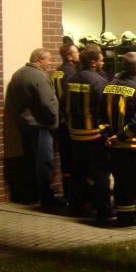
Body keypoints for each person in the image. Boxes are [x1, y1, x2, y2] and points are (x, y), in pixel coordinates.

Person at [6, 48, 60, 208]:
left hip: (25, 123)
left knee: (31, 160)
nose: (50, 63)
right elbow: (46, 103)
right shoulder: (39, 77)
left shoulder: (18, 74)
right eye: (48, 60)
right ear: (39, 60)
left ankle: (33, 194)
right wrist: (53, 119)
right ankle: (46, 198)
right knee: (44, 161)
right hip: (41, 125)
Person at [103, 52, 136, 227]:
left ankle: (124, 213)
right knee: (131, 182)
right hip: (132, 145)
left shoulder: (108, 86)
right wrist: (121, 135)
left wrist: (109, 137)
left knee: (120, 180)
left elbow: (101, 117)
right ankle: (128, 217)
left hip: (113, 146)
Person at [66, 46, 111, 219]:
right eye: (100, 59)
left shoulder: (71, 79)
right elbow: (104, 109)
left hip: (75, 135)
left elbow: (64, 104)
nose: (103, 62)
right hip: (94, 135)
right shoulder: (98, 82)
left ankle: (76, 206)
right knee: (101, 173)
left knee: (78, 172)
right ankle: (103, 209)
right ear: (93, 62)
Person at [50, 42, 79, 196]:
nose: (79, 54)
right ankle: (74, 194)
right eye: (76, 52)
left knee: (65, 159)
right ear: (69, 56)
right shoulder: (72, 74)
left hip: (59, 121)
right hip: (69, 122)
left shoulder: (56, 72)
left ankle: (67, 192)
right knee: (74, 159)